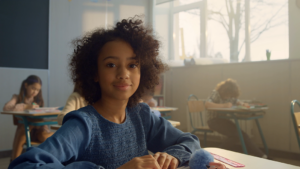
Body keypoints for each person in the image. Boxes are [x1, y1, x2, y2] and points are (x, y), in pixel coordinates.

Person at [9, 16, 201, 169]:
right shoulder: (84, 124)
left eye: (132, 65)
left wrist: (173, 156)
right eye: (111, 64)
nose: (124, 74)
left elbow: (190, 141)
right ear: (95, 73)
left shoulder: (142, 115)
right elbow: (25, 165)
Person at [205, 78, 267, 158]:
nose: (229, 97)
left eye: (231, 95)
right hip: (213, 121)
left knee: (241, 135)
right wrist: (224, 105)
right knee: (239, 135)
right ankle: (217, 154)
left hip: (223, 120)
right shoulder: (216, 93)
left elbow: (236, 101)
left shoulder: (230, 96)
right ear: (224, 91)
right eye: (228, 95)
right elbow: (207, 104)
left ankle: (261, 155)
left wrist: (242, 104)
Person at [3, 75, 54, 161]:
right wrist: (26, 106)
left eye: (38, 90)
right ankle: (14, 162)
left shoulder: (38, 100)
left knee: (44, 136)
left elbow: (41, 117)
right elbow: (6, 108)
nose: (35, 92)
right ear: (26, 85)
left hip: (39, 129)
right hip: (25, 129)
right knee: (23, 131)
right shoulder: (17, 97)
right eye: (33, 88)